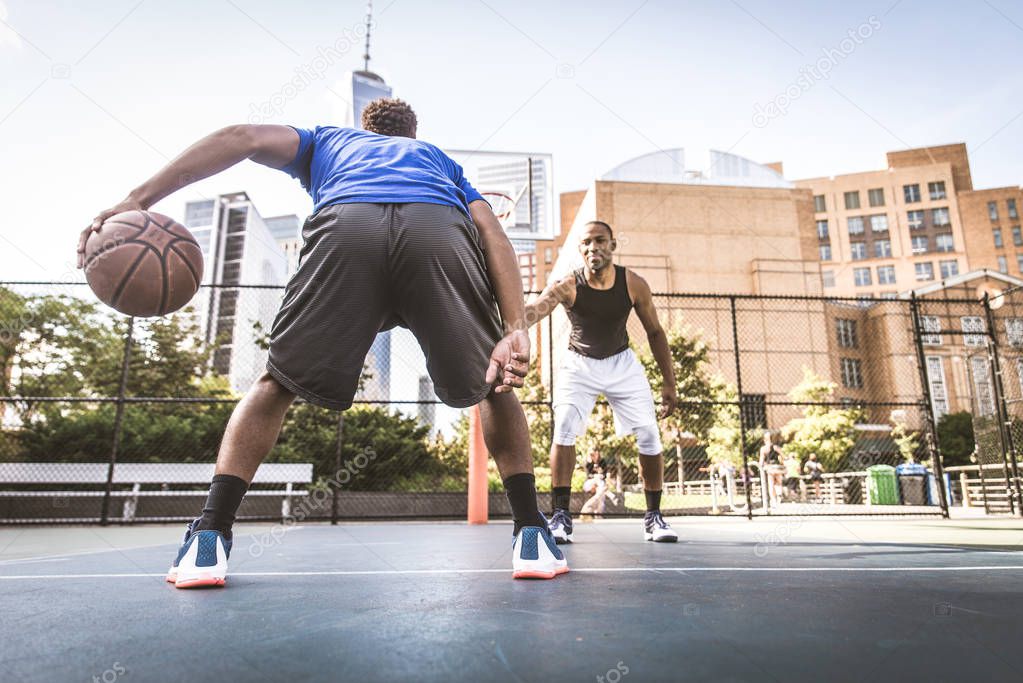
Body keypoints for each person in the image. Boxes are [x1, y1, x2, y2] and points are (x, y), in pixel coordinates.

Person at [80, 98, 567, 586]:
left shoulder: (326, 141)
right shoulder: (441, 163)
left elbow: (240, 138)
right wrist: (514, 328)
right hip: (436, 232)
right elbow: (491, 233)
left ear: (364, 128)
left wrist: (137, 199)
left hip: (347, 227)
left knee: (276, 383)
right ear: (412, 136)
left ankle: (210, 534)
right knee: (493, 384)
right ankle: (531, 532)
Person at [524, 220, 679, 543]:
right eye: (586, 243)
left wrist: (669, 383)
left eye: (599, 241)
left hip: (622, 364)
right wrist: (502, 325)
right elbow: (534, 311)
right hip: (579, 364)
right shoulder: (568, 284)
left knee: (649, 432)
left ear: (612, 245)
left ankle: (654, 518)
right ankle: (561, 517)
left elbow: (655, 332)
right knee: (564, 425)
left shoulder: (634, 284)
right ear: (580, 250)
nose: (592, 247)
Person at [759, 431, 785, 505]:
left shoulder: (763, 449)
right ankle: (779, 497)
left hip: (769, 467)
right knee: (778, 482)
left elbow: (761, 460)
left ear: (764, 440)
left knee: (771, 484)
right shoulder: (776, 447)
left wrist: (761, 467)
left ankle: (773, 500)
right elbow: (783, 456)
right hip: (777, 467)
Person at [580, 449, 610, 515]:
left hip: (600, 485)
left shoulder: (602, 462)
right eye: (592, 455)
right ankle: (610, 495)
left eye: (596, 454)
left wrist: (599, 474)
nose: (595, 456)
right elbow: (588, 475)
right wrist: (590, 462)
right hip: (590, 483)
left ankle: (598, 513)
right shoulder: (588, 463)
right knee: (601, 485)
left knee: (601, 494)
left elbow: (604, 476)